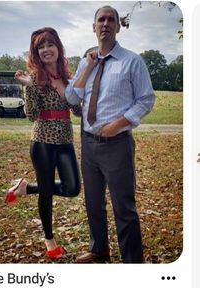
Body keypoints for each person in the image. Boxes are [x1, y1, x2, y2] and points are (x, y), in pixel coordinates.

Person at [65, 5, 155, 263]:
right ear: (93, 27)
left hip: (117, 145)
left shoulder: (132, 61)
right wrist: (87, 69)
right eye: (100, 20)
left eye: (110, 19)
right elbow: (72, 97)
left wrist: (118, 124)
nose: (105, 23)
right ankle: (99, 248)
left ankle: (132, 262)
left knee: (124, 208)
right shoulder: (86, 61)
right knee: (93, 202)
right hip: (89, 143)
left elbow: (146, 100)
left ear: (118, 26)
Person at [5, 27, 81, 260]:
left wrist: (69, 89)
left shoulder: (70, 77)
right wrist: (29, 87)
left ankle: (26, 188)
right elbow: (31, 114)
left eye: (50, 45)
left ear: (58, 47)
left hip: (65, 140)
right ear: (36, 53)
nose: (46, 50)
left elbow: (77, 110)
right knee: (46, 193)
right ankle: (49, 240)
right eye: (41, 47)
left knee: (72, 188)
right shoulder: (34, 77)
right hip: (42, 141)